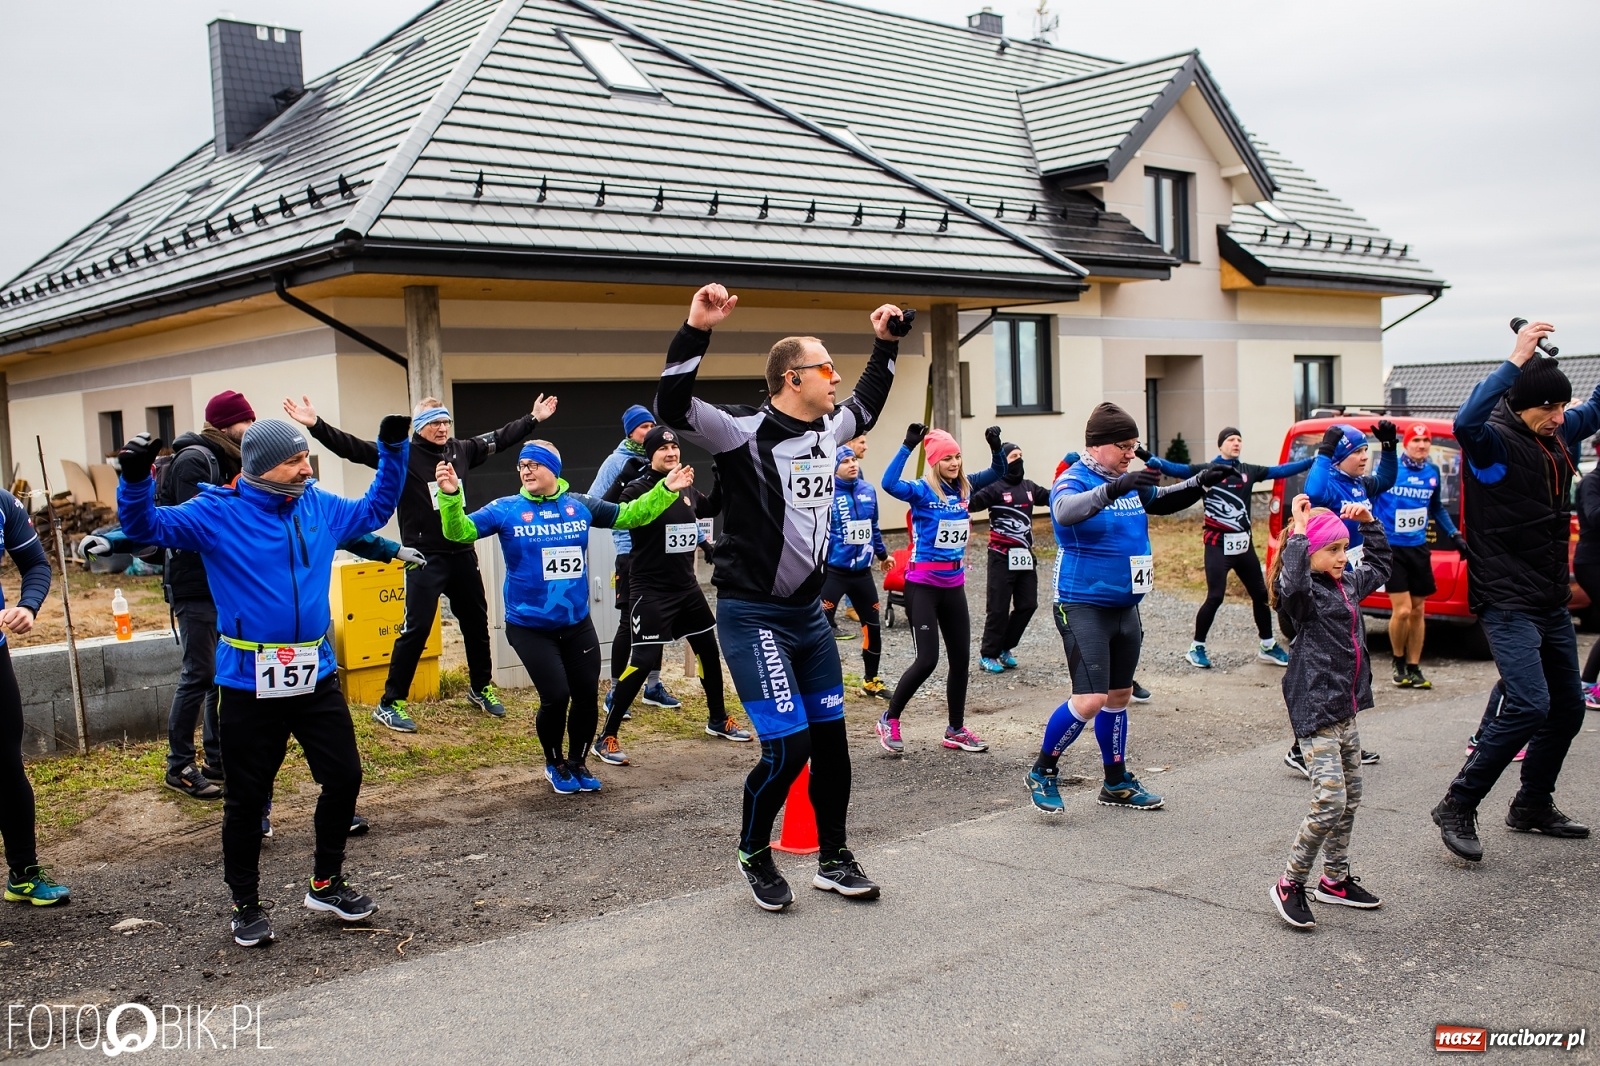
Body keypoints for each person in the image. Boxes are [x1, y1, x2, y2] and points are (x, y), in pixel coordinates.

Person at [117, 415, 407, 947]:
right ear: (261, 466)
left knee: (343, 777)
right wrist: (134, 479)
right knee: (249, 798)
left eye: (306, 458)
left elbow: (375, 510)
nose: (306, 467)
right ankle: (245, 904)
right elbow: (146, 530)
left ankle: (326, 881)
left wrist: (391, 450)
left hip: (314, 673)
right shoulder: (216, 513)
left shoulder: (317, 504)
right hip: (249, 681)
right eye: (295, 459)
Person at [657, 282, 899, 911]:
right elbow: (673, 403)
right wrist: (697, 329)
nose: (835, 376)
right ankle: (754, 852)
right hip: (752, 614)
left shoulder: (830, 427)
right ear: (794, 378)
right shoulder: (740, 431)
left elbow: (868, 402)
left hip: (808, 617)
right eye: (826, 367)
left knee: (832, 744)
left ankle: (835, 856)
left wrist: (884, 344)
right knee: (788, 748)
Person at [282, 393, 557, 732]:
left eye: (445, 422)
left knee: (475, 622)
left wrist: (533, 418)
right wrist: (317, 426)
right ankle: (390, 702)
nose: (442, 429)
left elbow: (500, 438)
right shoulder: (403, 454)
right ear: (420, 427)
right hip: (423, 556)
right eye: (434, 423)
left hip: (462, 551)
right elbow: (354, 448)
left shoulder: (462, 450)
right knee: (417, 629)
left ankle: (480, 686)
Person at [435, 440, 686, 793]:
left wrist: (665, 490)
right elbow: (458, 531)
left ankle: (578, 763)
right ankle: (554, 763)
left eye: (533, 464)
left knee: (586, 694)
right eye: (521, 465)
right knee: (556, 695)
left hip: (576, 623)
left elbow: (631, 515)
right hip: (529, 626)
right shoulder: (507, 509)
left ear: (553, 468)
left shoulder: (579, 506)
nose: (525, 470)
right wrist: (449, 496)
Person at [1432, 323, 1595, 862]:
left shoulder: (1558, 434)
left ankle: (1531, 805)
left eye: (1564, 408)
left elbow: (1597, 407)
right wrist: (1516, 358)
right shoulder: (1492, 444)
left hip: (1548, 598)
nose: (1561, 417)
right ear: (1526, 404)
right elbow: (1463, 421)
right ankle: (1458, 802)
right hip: (1505, 599)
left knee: (1568, 708)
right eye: (1552, 408)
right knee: (1529, 703)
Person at [1026, 403, 1225, 814]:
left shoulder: (1125, 478)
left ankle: (1115, 782)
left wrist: (1201, 481)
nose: (1131, 454)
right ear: (1097, 446)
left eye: (1135, 446)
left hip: (1125, 607)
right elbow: (1064, 512)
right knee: (1090, 699)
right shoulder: (1074, 479)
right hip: (1082, 604)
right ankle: (1043, 770)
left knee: (1119, 696)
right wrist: (1114, 489)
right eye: (1124, 446)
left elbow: (1163, 499)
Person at [1266, 495, 1390, 928]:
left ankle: (1334, 880)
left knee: (1351, 798)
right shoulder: (1303, 597)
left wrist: (1370, 524)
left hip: (1345, 707)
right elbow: (1294, 584)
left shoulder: (1348, 584)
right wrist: (1299, 533)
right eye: (1333, 550)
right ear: (1310, 552)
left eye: (1344, 548)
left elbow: (1382, 566)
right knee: (1329, 800)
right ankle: (1290, 882)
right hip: (1315, 707)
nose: (1342, 557)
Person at [592, 426, 750, 765]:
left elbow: (707, 509)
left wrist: (721, 478)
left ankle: (718, 719)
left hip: (686, 587)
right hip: (651, 590)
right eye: (662, 449)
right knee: (643, 661)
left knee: (709, 650)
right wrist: (638, 482)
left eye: (674, 447)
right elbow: (611, 514)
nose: (671, 453)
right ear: (649, 455)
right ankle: (606, 736)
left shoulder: (684, 484)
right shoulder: (638, 489)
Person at [874, 424, 1005, 754]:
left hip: (954, 586)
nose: (954, 463)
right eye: (947, 458)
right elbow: (889, 483)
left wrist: (995, 445)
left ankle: (956, 730)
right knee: (927, 660)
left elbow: (999, 471)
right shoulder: (921, 490)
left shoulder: (964, 489)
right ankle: (889, 719)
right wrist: (907, 446)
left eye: (958, 456)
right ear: (934, 461)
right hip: (923, 587)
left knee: (961, 660)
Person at [1143, 427, 1310, 670]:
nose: (1236, 443)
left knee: (1261, 595)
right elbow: (1174, 469)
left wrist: (1315, 460)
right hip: (1217, 546)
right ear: (1220, 445)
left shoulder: (1248, 471)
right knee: (1215, 596)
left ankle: (1267, 644)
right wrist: (1147, 457)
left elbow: (1280, 471)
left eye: (1239, 439)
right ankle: (1196, 647)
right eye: (1231, 439)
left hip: (1244, 546)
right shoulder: (1207, 470)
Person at [156, 390, 255, 800]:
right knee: (198, 674)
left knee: (220, 677)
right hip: (195, 585)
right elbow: (195, 524)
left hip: (222, 582)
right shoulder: (196, 459)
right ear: (226, 424)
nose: (252, 428)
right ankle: (178, 766)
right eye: (246, 421)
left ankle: (217, 761)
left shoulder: (232, 457)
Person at [1289, 419, 1397, 775]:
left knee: (1346, 664)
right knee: (1332, 802)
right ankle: (1301, 747)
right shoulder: (1329, 481)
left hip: (1342, 579)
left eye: (1368, 450)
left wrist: (1390, 448)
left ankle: (1343, 741)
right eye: (1358, 451)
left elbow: (1380, 564)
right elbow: (1314, 487)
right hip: (1317, 574)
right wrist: (1323, 449)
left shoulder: (1358, 485)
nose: (1365, 457)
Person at [0, 488, 69, 907]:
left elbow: (36, 564)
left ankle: (23, 873)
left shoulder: (4, 502)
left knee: (7, 766)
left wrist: (28, 605)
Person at [591, 405, 682, 713]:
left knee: (658, 621)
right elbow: (596, 505)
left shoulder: (662, 460)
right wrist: (621, 480)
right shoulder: (616, 462)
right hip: (630, 552)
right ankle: (616, 691)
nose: (648, 432)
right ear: (630, 432)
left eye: (651, 425)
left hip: (662, 553)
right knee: (627, 624)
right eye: (642, 427)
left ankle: (653, 686)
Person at [969, 440, 1050, 674]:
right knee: (998, 607)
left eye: (1021, 455)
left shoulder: (1029, 487)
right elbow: (970, 503)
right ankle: (988, 654)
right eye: (1014, 456)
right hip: (1000, 556)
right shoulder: (995, 487)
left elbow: (1054, 497)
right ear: (1004, 462)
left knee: (1028, 604)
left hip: (1025, 555)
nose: (1020, 460)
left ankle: (1005, 647)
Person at [820, 444, 891, 698]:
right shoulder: (826, 492)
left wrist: (883, 555)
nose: (852, 464)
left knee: (872, 627)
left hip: (863, 574)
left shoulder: (868, 490)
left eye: (854, 460)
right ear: (834, 467)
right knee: (820, 627)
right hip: (834, 573)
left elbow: (873, 527)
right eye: (845, 461)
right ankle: (819, 682)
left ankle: (871, 680)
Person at [1570, 448, 1600, 709]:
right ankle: (1587, 685)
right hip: (1591, 563)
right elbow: (1594, 516)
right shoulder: (1592, 482)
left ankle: (1589, 684)